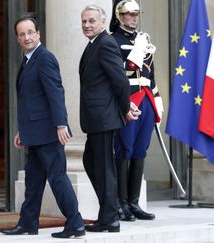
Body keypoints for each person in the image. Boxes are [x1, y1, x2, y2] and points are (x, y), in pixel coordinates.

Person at [1, 17, 85, 238]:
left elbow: (56, 93)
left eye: (30, 32)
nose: (27, 37)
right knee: (33, 181)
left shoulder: (45, 58)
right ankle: (28, 223)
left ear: (38, 34)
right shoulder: (28, 59)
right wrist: (23, 130)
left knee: (57, 178)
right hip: (35, 133)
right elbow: (31, 100)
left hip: (48, 132)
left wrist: (61, 124)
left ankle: (75, 223)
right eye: (22, 34)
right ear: (17, 38)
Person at [79, 5, 137, 233]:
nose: (87, 25)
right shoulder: (94, 44)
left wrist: (124, 109)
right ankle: (109, 212)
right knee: (91, 163)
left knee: (103, 168)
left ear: (103, 23)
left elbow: (121, 81)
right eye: (84, 21)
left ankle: (110, 218)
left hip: (104, 117)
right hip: (97, 118)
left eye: (92, 21)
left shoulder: (105, 44)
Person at [111, 0, 163, 221]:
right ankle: (121, 203)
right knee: (124, 149)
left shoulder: (144, 39)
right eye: (128, 14)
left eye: (135, 14)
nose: (133, 18)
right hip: (129, 99)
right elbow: (117, 75)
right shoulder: (114, 40)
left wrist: (156, 100)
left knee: (141, 150)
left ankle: (134, 202)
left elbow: (150, 74)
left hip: (146, 98)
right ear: (119, 16)